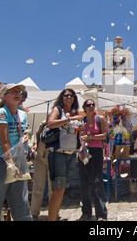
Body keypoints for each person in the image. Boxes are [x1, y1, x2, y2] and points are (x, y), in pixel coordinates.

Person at [0, 84, 32, 221]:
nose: (18, 93)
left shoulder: (22, 114)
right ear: (4, 96)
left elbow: (20, 134)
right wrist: (10, 164)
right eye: (13, 92)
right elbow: (4, 141)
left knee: (21, 203)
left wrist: (25, 138)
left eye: (19, 92)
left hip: (18, 160)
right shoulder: (1, 113)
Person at [45, 88, 83, 221]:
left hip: (71, 153)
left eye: (72, 95)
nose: (69, 97)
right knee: (59, 188)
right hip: (58, 153)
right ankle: (52, 219)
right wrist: (69, 119)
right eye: (66, 95)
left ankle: (54, 217)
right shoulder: (58, 110)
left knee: (62, 188)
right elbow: (50, 124)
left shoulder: (74, 113)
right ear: (62, 97)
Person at [78, 99, 108, 221]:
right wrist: (81, 132)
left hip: (96, 152)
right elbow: (79, 136)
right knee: (85, 183)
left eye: (93, 105)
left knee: (97, 182)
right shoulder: (82, 121)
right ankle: (86, 213)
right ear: (84, 108)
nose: (91, 107)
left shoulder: (100, 119)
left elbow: (105, 135)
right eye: (88, 105)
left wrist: (90, 136)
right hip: (84, 152)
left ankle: (101, 214)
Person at [30, 120, 52, 220]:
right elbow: (37, 135)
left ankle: (53, 212)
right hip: (40, 156)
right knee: (38, 185)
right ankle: (34, 212)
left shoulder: (61, 122)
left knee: (53, 188)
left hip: (53, 157)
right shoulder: (43, 123)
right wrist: (35, 144)